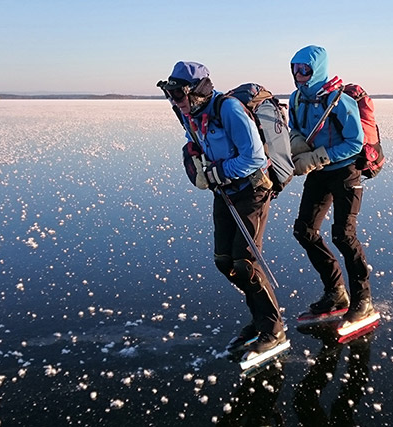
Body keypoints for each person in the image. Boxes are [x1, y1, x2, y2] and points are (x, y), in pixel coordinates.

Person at [157, 61, 286, 355]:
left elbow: (254, 158)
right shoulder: (187, 112)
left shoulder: (228, 110)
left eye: (178, 95)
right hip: (225, 191)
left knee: (245, 263)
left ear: (196, 91)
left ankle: (273, 329)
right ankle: (260, 319)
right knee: (224, 261)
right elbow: (195, 140)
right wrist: (194, 158)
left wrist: (217, 172)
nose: (174, 102)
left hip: (252, 189)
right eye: (171, 95)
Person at [287, 45, 376, 326]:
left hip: (345, 172)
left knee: (343, 236)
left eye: (305, 69)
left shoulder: (339, 100)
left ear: (318, 70)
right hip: (320, 173)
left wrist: (319, 156)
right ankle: (336, 292)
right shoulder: (296, 99)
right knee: (305, 231)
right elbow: (294, 128)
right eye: (295, 69)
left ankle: (363, 300)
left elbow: (354, 143)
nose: (300, 75)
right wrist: (296, 143)